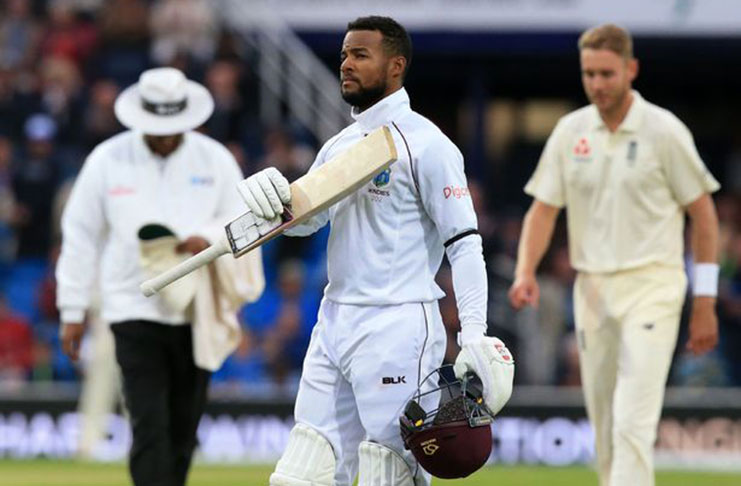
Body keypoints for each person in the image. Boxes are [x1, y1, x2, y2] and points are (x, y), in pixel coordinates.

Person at [238, 16, 514, 486]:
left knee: (390, 471)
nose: (346, 64)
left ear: (395, 66)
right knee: (301, 472)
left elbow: (465, 245)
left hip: (398, 324)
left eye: (360, 55)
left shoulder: (428, 145)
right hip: (334, 319)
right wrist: (274, 204)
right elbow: (308, 223)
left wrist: (473, 334)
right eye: (344, 54)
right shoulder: (339, 146)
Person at [508, 24, 721, 486]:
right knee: (605, 427)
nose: (597, 84)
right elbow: (543, 211)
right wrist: (525, 269)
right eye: (589, 74)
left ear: (631, 69)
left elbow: (704, 216)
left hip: (654, 284)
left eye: (607, 73)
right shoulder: (571, 131)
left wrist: (705, 301)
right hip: (592, 291)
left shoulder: (664, 131)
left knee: (631, 422)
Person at [56, 67, 265, 486]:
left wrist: (204, 238)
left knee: (183, 429)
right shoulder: (107, 159)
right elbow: (80, 236)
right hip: (131, 306)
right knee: (148, 425)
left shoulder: (216, 159)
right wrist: (72, 308)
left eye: (175, 127)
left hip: (197, 310)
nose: (167, 136)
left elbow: (245, 220)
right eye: (158, 128)